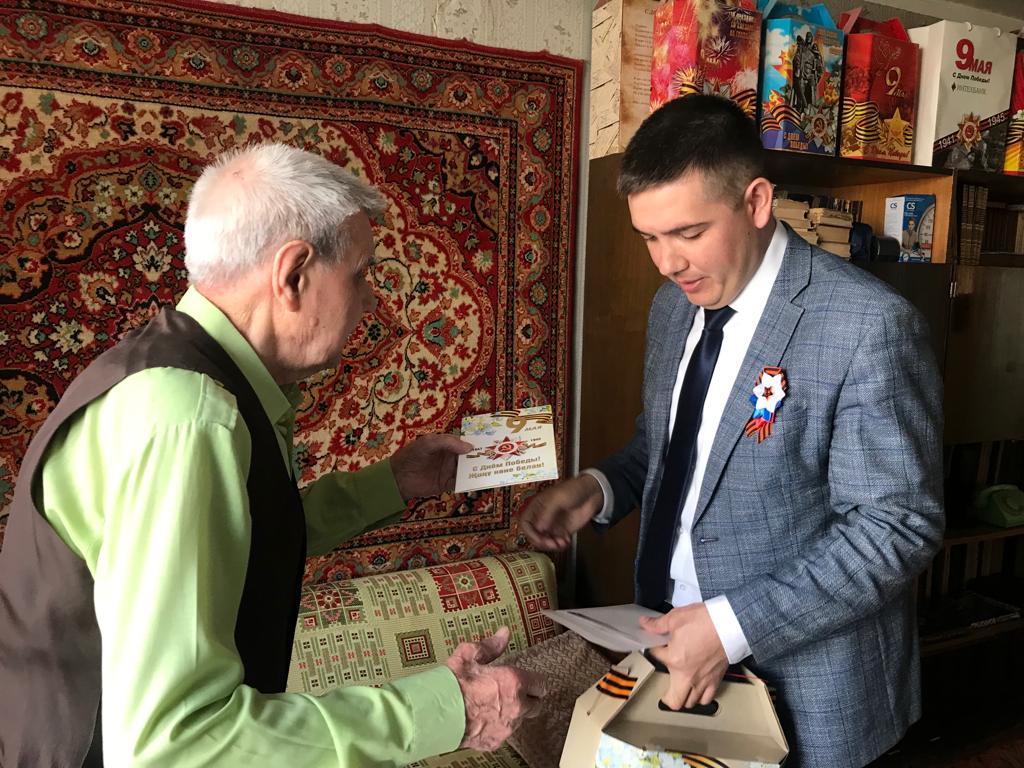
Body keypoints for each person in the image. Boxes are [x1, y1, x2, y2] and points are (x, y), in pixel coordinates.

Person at [0, 143, 544, 767]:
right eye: (360, 275)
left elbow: (243, 531)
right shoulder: (190, 417)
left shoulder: (183, 374)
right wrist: (450, 709)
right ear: (293, 275)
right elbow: (173, 747)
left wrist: (392, 482)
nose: (371, 301)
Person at [521, 94, 944, 767]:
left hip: (811, 689)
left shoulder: (868, 326)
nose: (667, 262)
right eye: (649, 237)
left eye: (688, 233)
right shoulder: (672, 308)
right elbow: (672, 443)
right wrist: (601, 488)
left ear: (756, 202)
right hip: (674, 650)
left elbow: (895, 526)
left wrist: (730, 627)